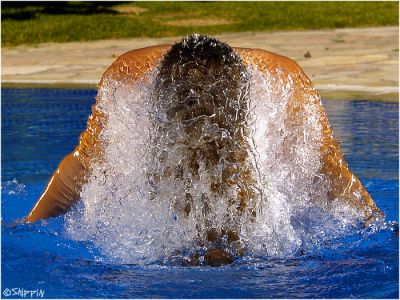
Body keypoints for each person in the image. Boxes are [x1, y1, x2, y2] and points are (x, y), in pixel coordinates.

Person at [25, 34, 383, 264]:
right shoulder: (130, 78)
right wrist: (29, 225)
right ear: (159, 97)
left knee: (230, 174)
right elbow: (84, 163)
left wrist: (378, 224)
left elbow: (327, 167)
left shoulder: (282, 81)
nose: (197, 121)